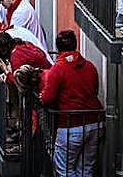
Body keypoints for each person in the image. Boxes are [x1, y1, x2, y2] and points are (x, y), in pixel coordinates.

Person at [39, 29, 105, 176]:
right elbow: (94, 91)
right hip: (95, 122)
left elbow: (48, 98)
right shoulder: (89, 66)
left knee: (65, 170)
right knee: (86, 169)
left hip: (70, 125)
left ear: (58, 48)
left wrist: (41, 97)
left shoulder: (58, 69)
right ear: (75, 45)